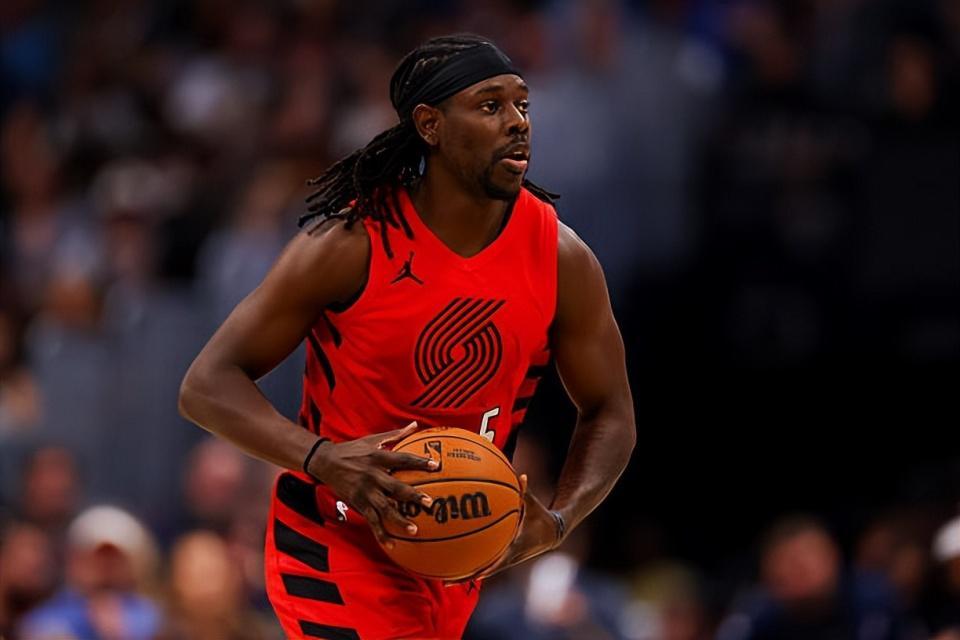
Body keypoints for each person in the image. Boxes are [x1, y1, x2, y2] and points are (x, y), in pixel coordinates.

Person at [179, 33, 636, 640]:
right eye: (490, 106)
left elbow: (611, 411)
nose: (518, 122)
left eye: (522, 104)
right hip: (334, 540)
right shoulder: (351, 244)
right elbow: (206, 384)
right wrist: (321, 457)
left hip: (455, 549)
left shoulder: (560, 258)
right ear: (430, 125)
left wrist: (559, 520)